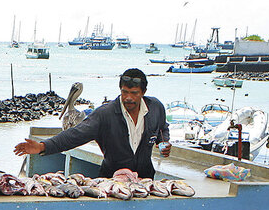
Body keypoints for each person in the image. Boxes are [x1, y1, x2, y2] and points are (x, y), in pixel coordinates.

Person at [14, 68, 171, 178]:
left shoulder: (156, 108)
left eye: (134, 93)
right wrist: (43, 146)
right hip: (112, 181)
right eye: (124, 92)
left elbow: (162, 129)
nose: (128, 97)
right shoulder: (105, 114)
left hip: (145, 180)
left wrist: (163, 143)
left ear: (143, 93)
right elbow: (75, 135)